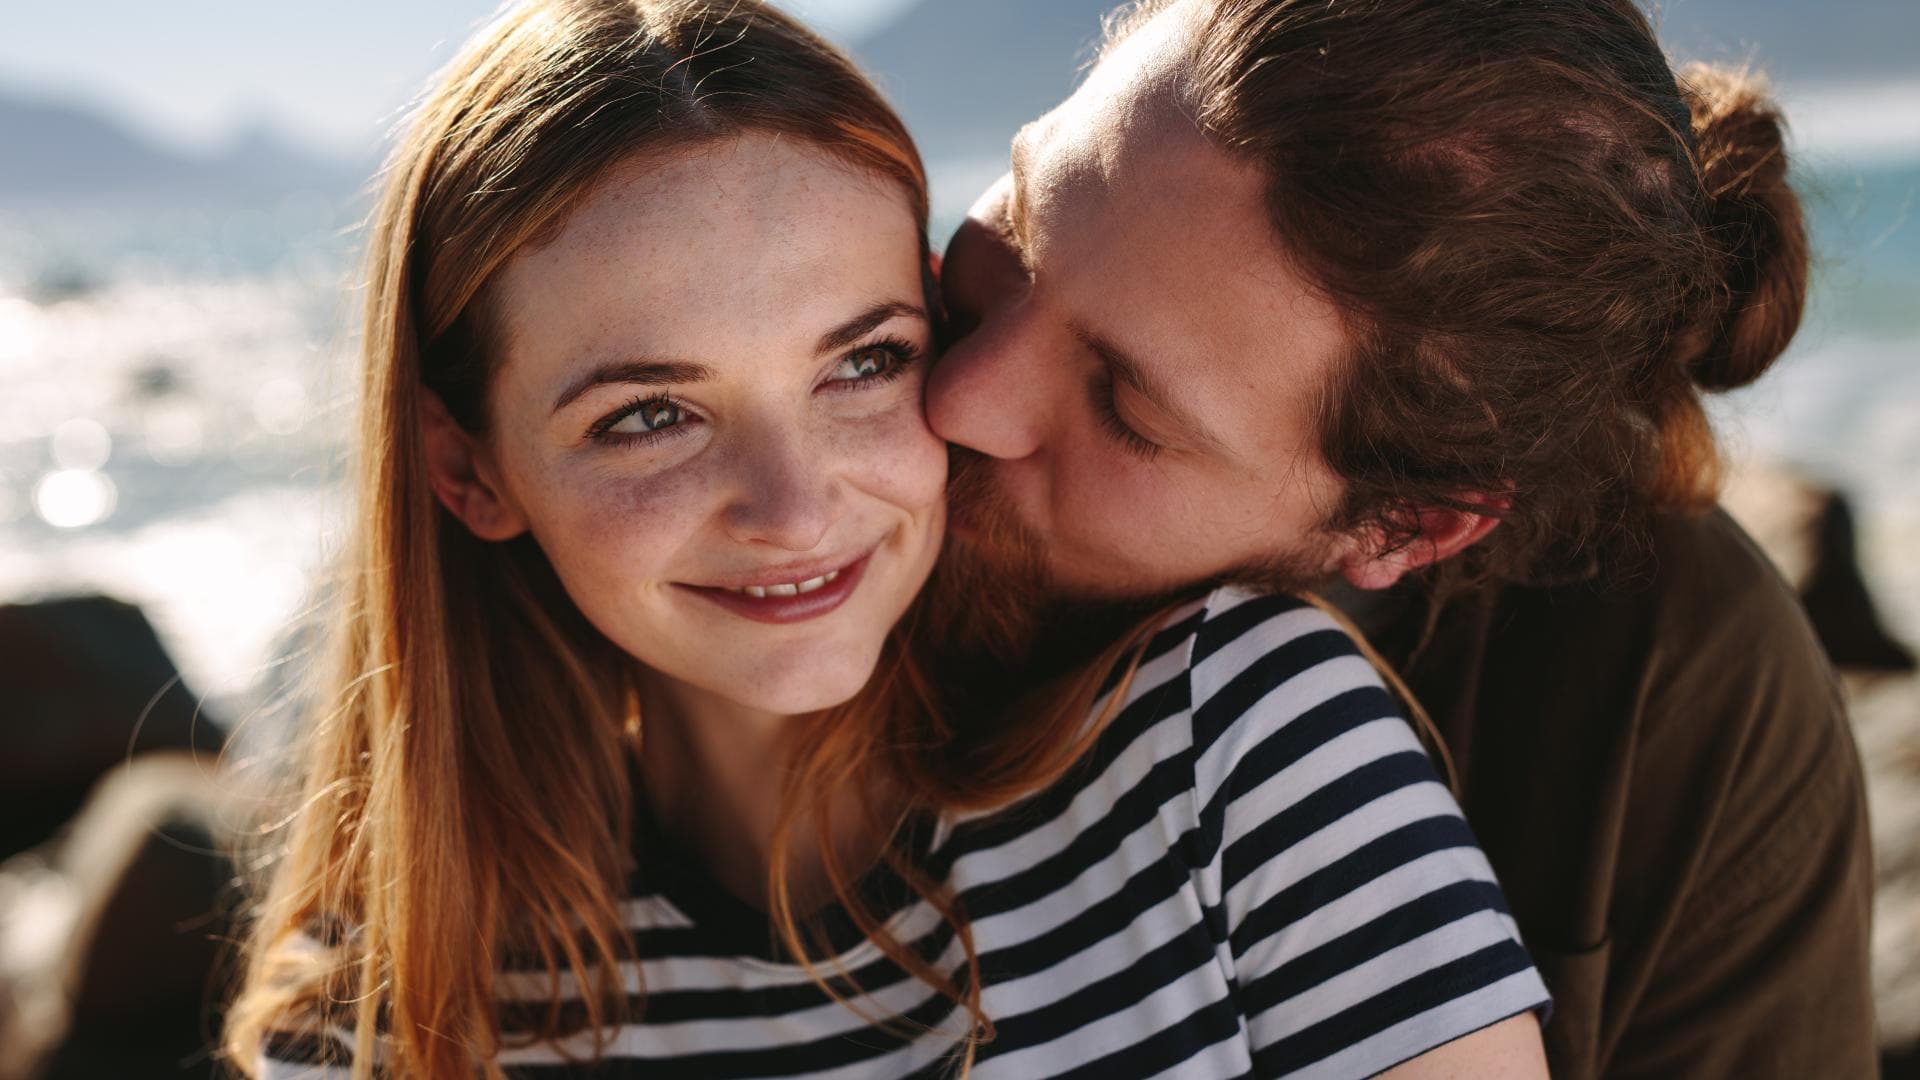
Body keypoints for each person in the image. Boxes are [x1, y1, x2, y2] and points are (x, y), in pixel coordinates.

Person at [224, 0, 1553, 1076]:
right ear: (468, 468)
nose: (795, 507)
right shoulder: (389, 1011)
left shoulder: (1235, 745)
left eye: (863, 363)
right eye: (650, 415)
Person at [925, 0, 1876, 1077]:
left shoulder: (1678, 691)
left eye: (1126, 410)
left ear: (1412, 524)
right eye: (1018, 224)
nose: (956, 397)